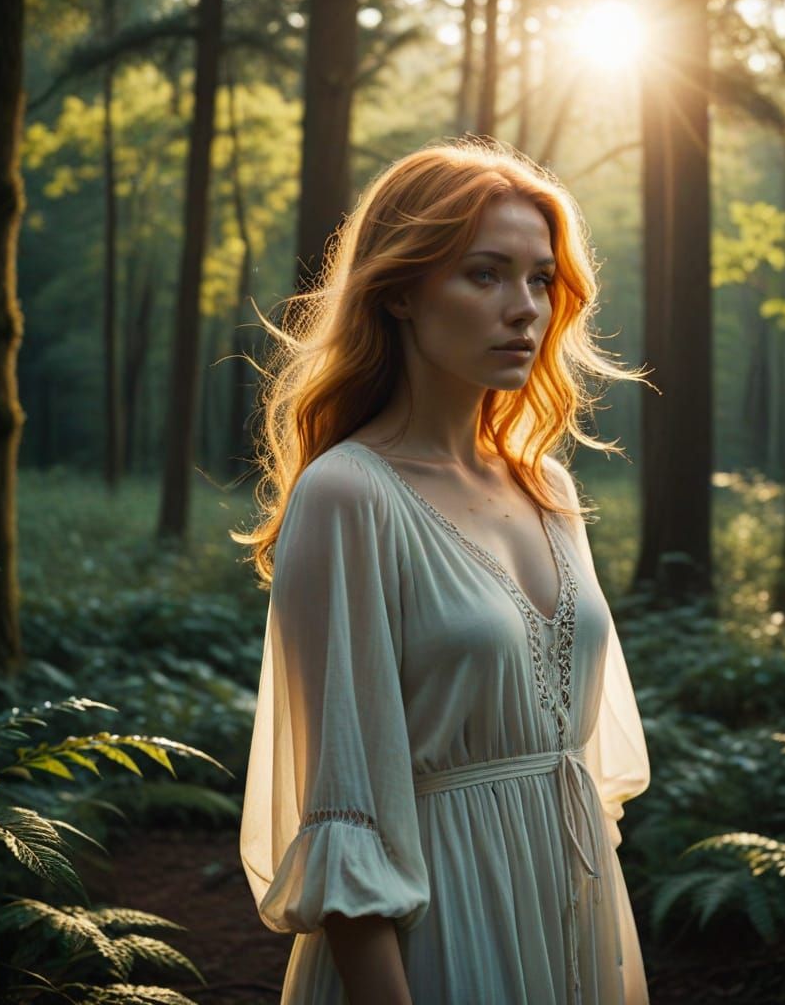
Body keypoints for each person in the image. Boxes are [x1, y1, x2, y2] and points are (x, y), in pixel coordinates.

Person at [236, 137, 656, 1004]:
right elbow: (342, 813)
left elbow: (584, 769)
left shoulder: (548, 487)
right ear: (398, 292)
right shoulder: (349, 495)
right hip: (441, 934)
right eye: (485, 275)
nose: (525, 310)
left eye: (541, 279)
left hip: (575, 918)